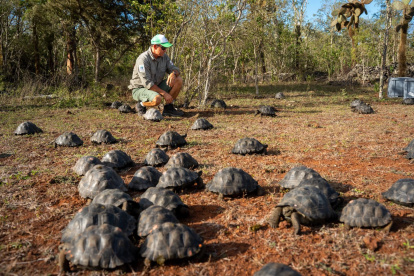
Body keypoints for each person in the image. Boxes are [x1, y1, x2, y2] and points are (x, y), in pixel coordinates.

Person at [129, 34, 184, 117]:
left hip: (155, 86)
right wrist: (164, 94)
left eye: (166, 48)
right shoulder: (143, 59)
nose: (165, 50)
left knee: (178, 79)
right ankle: (141, 105)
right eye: (163, 48)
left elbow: (175, 68)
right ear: (155, 46)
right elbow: (147, 84)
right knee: (157, 99)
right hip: (140, 89)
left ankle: (168, 108)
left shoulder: (164, 57)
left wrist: (173, 73)